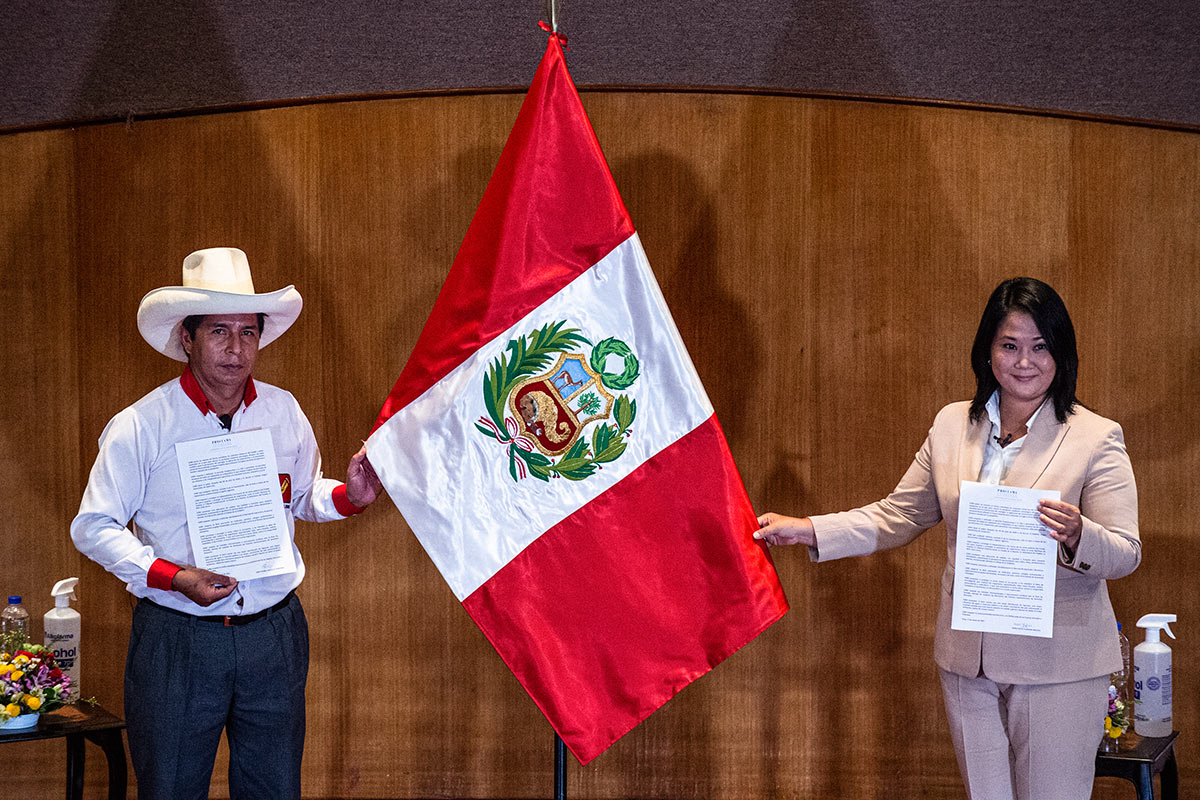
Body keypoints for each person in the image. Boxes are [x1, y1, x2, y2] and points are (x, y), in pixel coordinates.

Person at [755, 277, 1139, 800]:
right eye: (1009, 346)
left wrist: (1077, 535)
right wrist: (809, 529)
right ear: (987, 351)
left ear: (1061, 353)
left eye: (1040, 347)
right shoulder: (952, 424)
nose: (1024, 362)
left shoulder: (1095, 436)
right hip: (966, 662)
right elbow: (899, 514)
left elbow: (1124, 552)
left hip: (1058, 666)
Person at [71, 247, 384, 800]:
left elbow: (303, 496)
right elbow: (93, 526)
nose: (236, 349)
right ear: (187, 338)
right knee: (170, 788)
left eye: (247, 332)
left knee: (274, 788)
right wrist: (174, 576)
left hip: (273, 633)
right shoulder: (142, 424)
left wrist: (349, 497)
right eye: (219, 331)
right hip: (179, 636)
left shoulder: (283, 410)